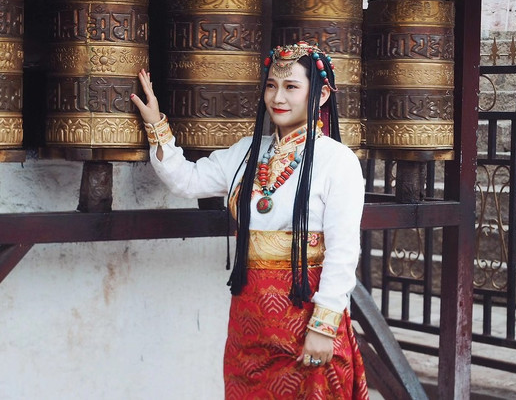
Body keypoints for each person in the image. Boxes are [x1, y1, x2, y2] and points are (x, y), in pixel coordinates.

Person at [130, 41, 369, 399]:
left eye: (291, 87)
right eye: (272, 85)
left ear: (320, 96)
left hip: (305, 316)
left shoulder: (338, 161)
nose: (278, 97)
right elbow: (187, 181)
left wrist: (324, 325)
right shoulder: (245, 153)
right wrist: (156, 125)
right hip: (250, 319)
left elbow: (343, 251)